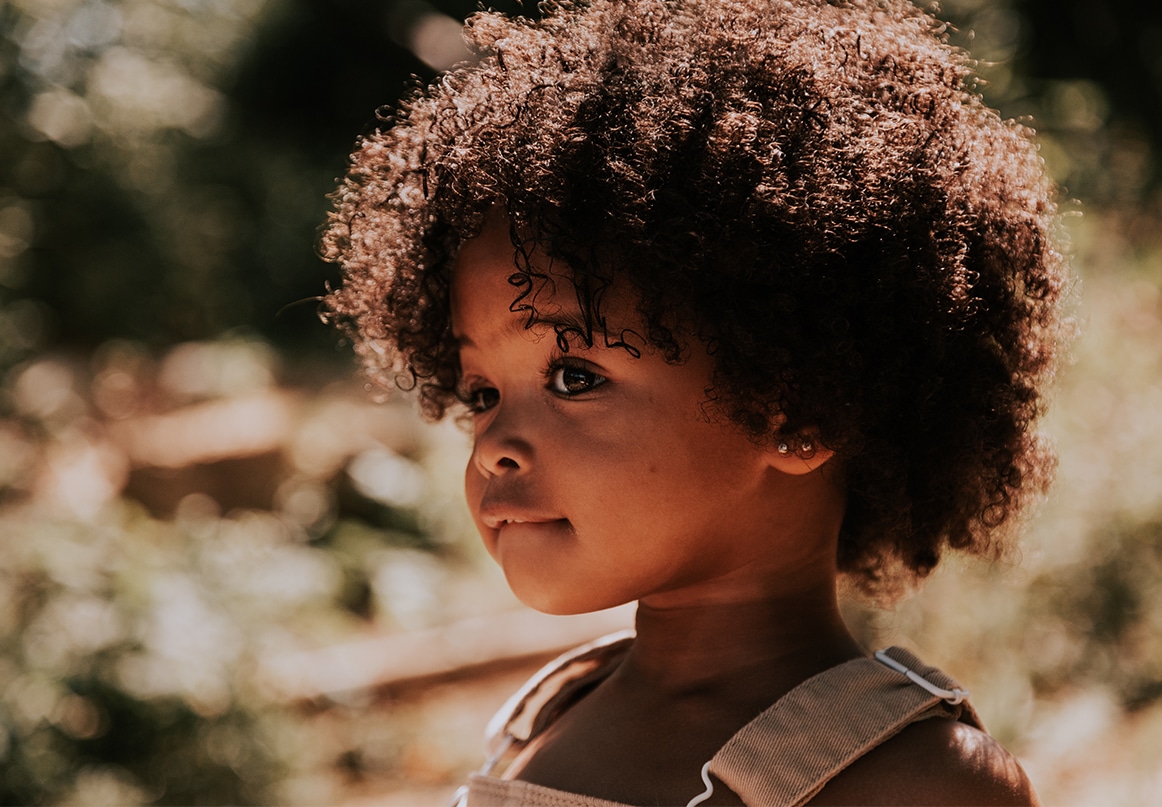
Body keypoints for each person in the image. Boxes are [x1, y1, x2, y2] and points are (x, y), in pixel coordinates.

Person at [320, 0, 1068, 803]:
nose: (492, 444)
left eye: (575, 376)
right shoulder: (545, 718)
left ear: (800, 409)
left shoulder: (916, 782)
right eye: (482, 391)